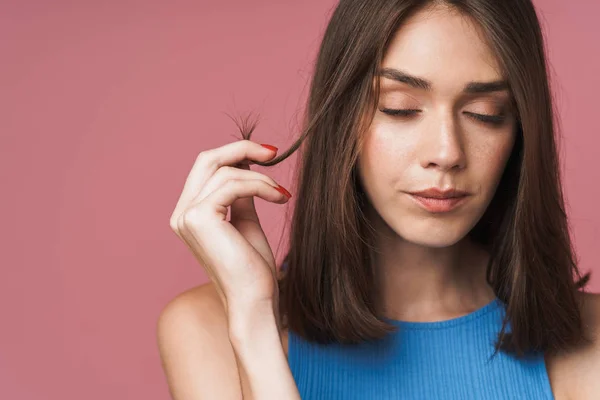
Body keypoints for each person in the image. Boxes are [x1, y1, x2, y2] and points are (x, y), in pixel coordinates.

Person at [157, 0, 600, 398]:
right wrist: (255, 324)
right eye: (400, 108)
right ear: (341, 119)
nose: (446, 153)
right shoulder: (206, 329)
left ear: (521, 130)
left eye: (486, 114)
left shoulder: (589, 341)